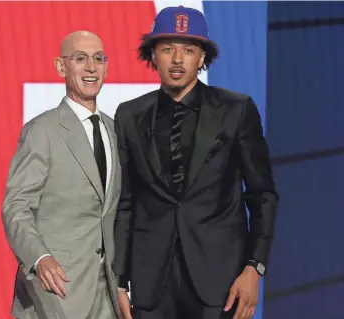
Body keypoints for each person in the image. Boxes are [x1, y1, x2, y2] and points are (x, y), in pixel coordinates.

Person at [113, 6, 279, 319]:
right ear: (153, 56)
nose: (177, 60)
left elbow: (262, 195)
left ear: (202, 57)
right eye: (167, 50)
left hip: (220, 283)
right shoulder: (128, 115)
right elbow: (125, 202)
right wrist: (118, 280)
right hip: (151, 284)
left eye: (188, 50)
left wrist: (254, 268)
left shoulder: (236, 109)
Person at [2, 30, 122, 319]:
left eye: (98, 59)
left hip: (108, 292)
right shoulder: (42, 130)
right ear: (60, 67)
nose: (92, 67)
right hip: (56, 292)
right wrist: (39, 258)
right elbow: (16, 206)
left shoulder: (116, 130)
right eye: (80, 58)